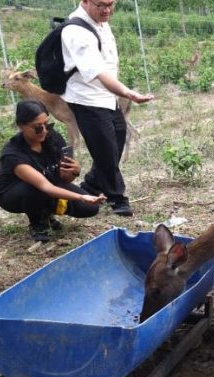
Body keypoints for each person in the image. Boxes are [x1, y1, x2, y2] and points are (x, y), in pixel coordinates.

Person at [60, 0, 154, 217]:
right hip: (87, 98)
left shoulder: (101, 21)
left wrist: (117, 92)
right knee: (105, 147)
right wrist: (128, 93)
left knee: (118, 137)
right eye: (101, 4)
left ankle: (93, 182)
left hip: (107, 96)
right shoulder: (76, 31)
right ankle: (117, 197)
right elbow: (98, 73)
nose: (107, 10)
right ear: (84, 1)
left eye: (111, 4)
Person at [0, 100, 107, 242]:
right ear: (21, 126)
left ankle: (46, 211)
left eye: (46, 124)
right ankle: (38, 224)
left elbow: (63, 179)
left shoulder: (52, 137)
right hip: (15, 195)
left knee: (90, 209)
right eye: (37, 127)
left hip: (49, 186)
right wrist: (82, 197)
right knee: (33, 188)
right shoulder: (13, 154)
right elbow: (45, 186)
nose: (44, 130)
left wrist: (74, 172)